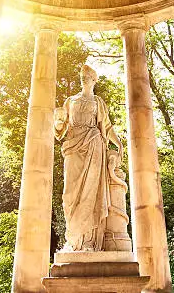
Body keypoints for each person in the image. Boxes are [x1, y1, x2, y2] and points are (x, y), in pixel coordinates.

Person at [54, 63, 123, 251]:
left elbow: (107, 127)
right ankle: (74, 240)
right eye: (82, 76)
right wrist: (59, 124)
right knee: (69, 194)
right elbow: (60, 128)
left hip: (94, 145)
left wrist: (118, 143)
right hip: (73, 147)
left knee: (90, 195)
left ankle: (88, 242)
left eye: (88, 76)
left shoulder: (98, 102)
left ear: (94, 80)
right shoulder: (70, 101)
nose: (84, 78)